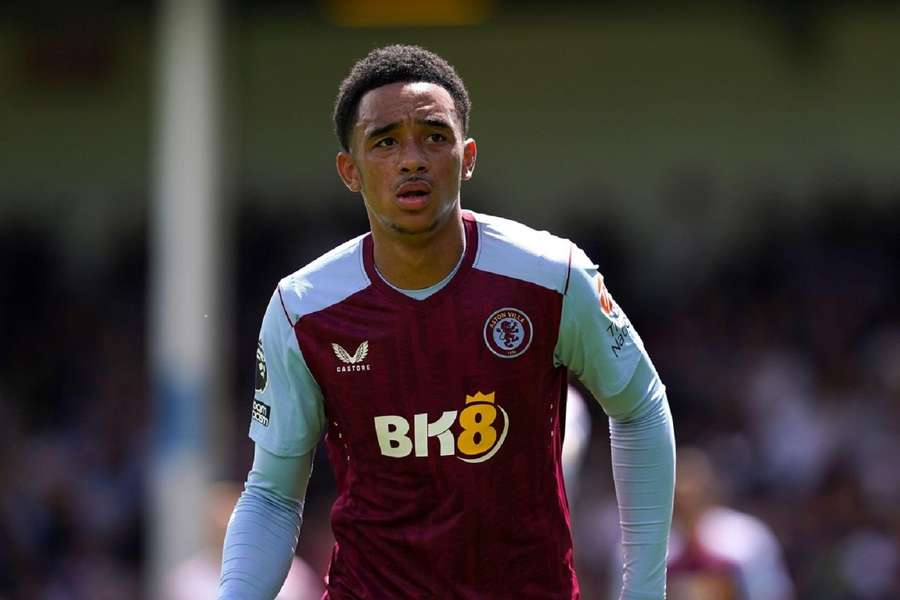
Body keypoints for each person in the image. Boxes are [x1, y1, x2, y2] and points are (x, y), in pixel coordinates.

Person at [218, 44, 675, 599]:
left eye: (434, 136)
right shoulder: (304, 308)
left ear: (469, 155)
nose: (412, 159)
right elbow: (271, 493)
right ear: (350, 171)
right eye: (384, 141)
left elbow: (641, 406)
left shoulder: (552, 275)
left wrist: (646, 591)